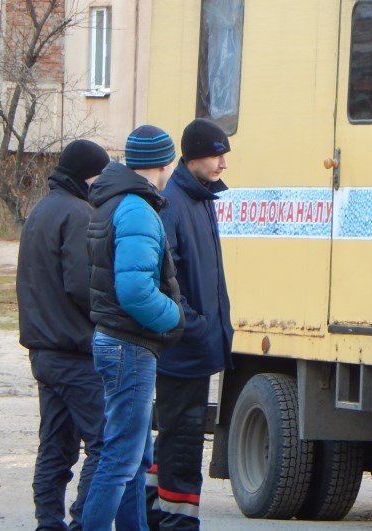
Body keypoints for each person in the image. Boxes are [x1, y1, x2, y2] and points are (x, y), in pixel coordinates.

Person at [82, 125, 185, 530]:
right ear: (165, 162)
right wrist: (176, 318)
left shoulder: (116, 201)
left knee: (134, 459)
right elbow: (135, 290)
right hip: (129, 345)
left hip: (114, 340)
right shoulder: (137, 209)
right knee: (121, 459)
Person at [17, 139, 110, 530]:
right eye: (100, 175)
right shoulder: (78, 214)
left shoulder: (40, 210)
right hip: (74, 351)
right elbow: (81, 284)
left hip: (43, 350)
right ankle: (82, 522)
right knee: (106, 445)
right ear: (87, 175)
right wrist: (111, 317)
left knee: (55, 445)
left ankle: (48, 522)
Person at [146, 119, 233, 530]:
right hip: (181, 351)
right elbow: (166, 283)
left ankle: (150, 516)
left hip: (193, 349)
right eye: (218, 154)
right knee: (181, 447)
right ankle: (174, 524)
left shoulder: (200, 198)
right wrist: (195, 328)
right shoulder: (174, 203)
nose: (223, 164)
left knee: (172, 443)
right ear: (194, 154)